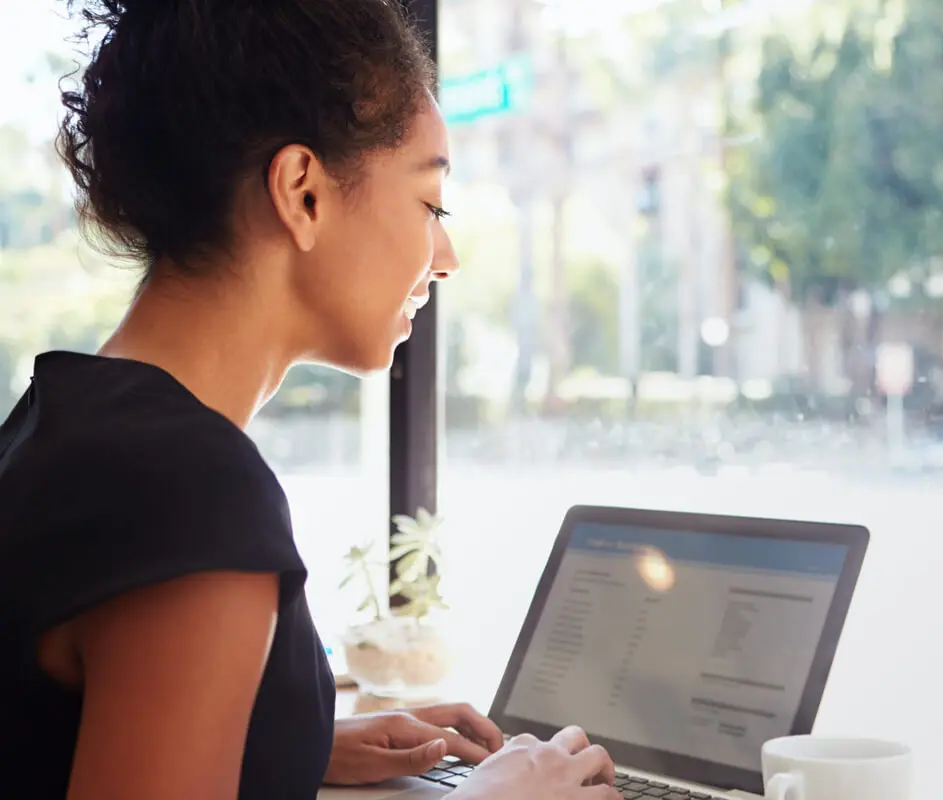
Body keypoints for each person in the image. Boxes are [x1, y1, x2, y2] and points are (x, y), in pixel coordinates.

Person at [0, 1, 619, 798]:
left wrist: (290, 740)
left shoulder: (62, 422)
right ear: (303, 192)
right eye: (430, 205)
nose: (447, 255)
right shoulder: (190, 493)